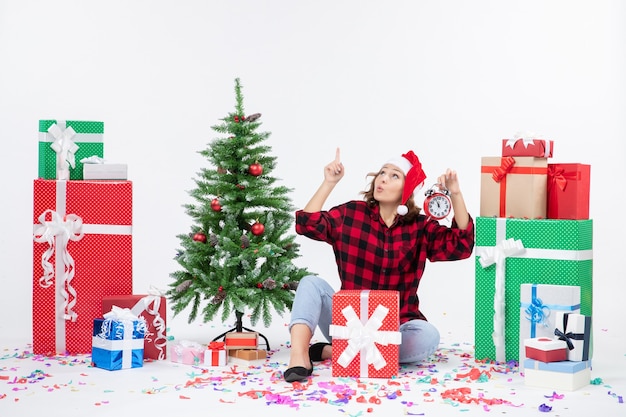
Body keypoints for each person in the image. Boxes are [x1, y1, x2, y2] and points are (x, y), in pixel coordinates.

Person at [283, 148, 475, 383]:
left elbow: (461, 246)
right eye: (382, 173)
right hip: (349, 323)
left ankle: (336, 352)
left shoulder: (419, 227)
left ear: (407, 190)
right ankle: (299, 356)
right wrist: (329, 182)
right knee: (310, 283)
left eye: (395, 175)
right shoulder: (351, 214)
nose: (383, 178)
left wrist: (455, 193)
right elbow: (307, 224)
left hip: (395, 328)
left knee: (428, 336)